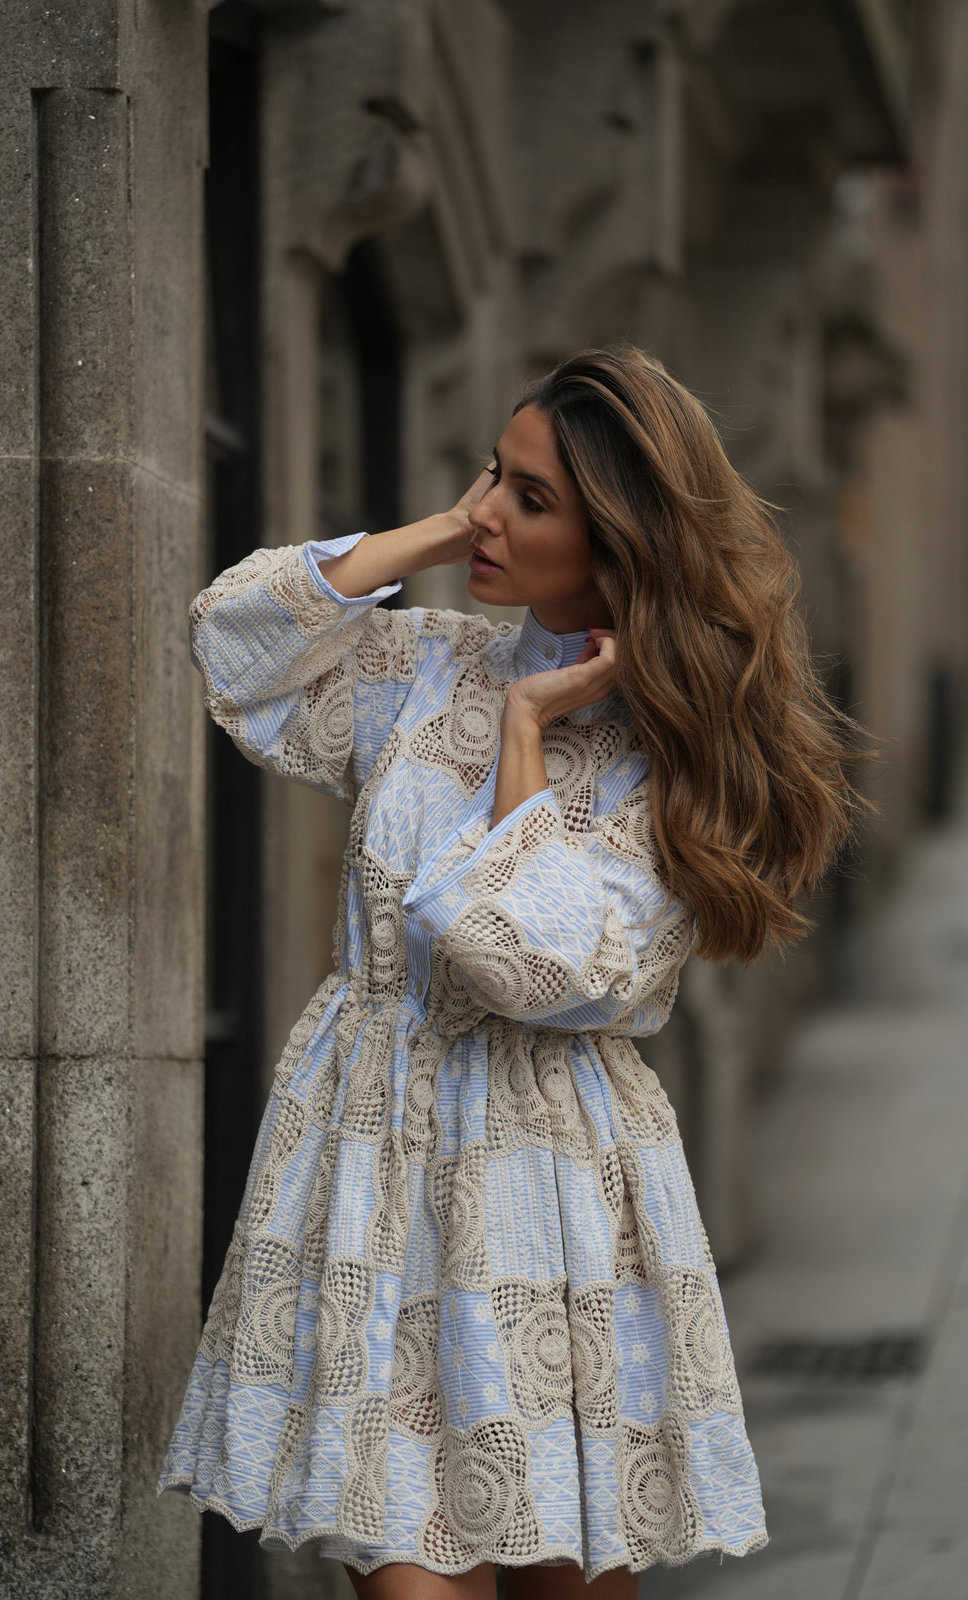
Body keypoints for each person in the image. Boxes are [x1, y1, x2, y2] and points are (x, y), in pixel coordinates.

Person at [159, 348, 858, 1597]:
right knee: (400, 1563)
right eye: (495, 472)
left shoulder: (669, 762)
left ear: (622, 539)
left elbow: (518, 961)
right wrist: (444, 527)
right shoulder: (422, 666)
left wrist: (530, 727)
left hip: (550, 1188)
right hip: (373, 1156)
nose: (490, 510)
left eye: (531, 500)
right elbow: (230, 642)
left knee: (559, 1574)